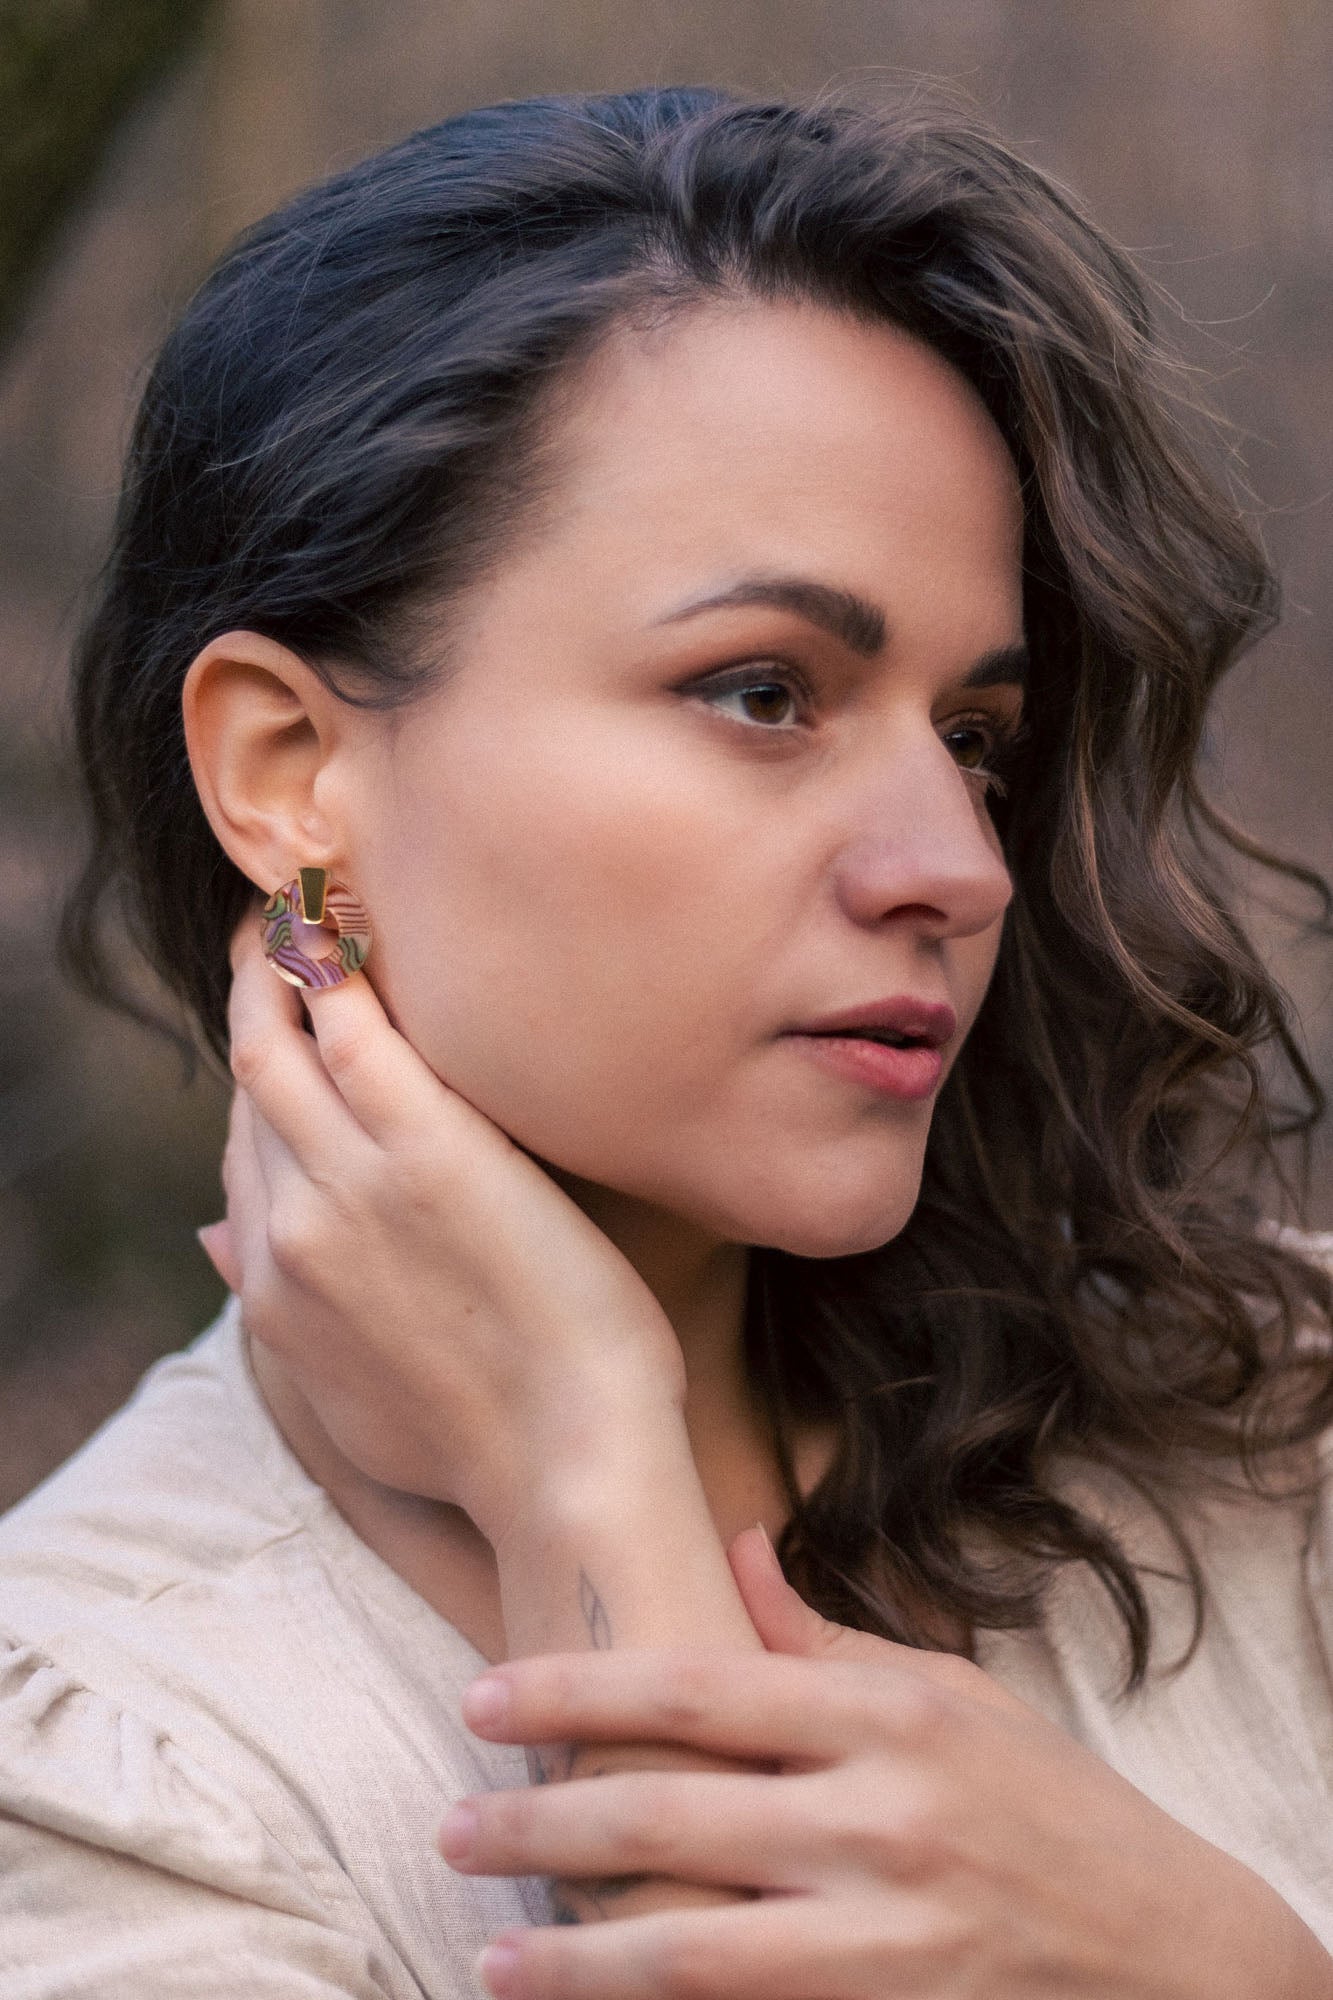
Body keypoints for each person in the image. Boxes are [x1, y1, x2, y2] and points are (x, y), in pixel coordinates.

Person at [2, 81, 1331, 1999]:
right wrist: (578, 1468)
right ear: (288, 774)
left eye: (973, 738)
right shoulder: (121, 1786)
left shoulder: (1276, 1441)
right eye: (764, 692)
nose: (952, 863)